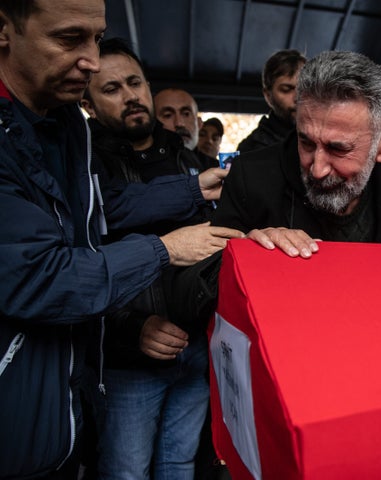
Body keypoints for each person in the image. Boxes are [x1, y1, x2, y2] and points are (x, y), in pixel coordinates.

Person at [0, 2, 242, 479]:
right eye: (70, 39)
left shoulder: (64, 125)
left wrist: (194, 186)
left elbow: (103, 207)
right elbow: (39, 275)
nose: (90, 58)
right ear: (4, 31)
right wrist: (165, 250)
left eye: (97, 37)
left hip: (69, 390)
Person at [80, 37, 224, 480]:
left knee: (179, 465)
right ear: (86, 102)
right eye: (111, 89)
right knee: (126, 472)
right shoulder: (85, 166)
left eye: (135, 82)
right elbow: (79, 267)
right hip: (130, 362)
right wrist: (130, 327)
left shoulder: (190, 162)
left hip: (196, 351)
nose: (130, 96)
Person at [213, 50, 381, 263]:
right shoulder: (250, 177)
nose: (317, 168)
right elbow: (192, 288)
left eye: (338, 149)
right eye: (306, 142)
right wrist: (246, 253)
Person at [236, 49, 306, 154]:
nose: (298, 97)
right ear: (268, 95)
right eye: (286, 89)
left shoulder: (325, 135)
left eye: (304, 88)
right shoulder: (251, 150)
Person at [154, 87, 203, 152]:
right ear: (152, 124)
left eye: (186, 114)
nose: (179, 123)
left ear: (199, 124)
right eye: (168, 115)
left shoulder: (215, 162)